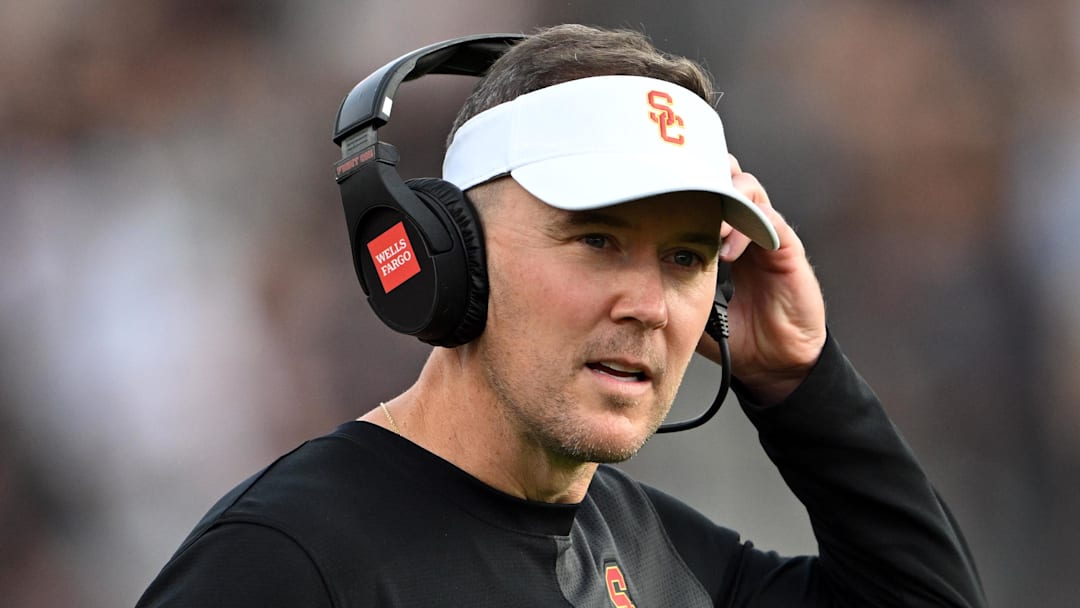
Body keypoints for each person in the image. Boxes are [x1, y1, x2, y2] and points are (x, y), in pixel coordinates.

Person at [136, 24, 986, 607]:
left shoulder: (661, 556)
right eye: (598, 240)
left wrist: (801, 377)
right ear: (452, 249)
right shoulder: (287, 558)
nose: (650, 305)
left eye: (687, 258)